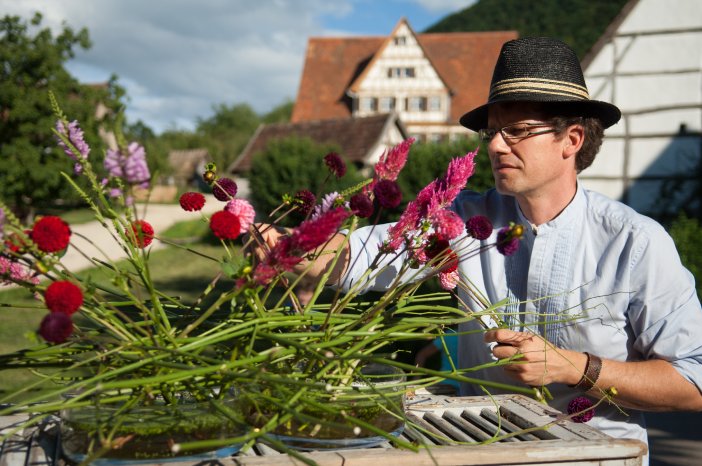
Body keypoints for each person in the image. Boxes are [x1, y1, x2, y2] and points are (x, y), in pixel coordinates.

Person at [254, 37, 702, 460]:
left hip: (594, 458)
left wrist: (575, 368)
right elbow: (367, 252)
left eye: (518, 130)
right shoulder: (465, 221)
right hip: (478, 450)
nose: (495, 144)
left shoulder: (634, 243)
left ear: (572, 140)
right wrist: (297, 250)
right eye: (490, 132)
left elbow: (694, 382)